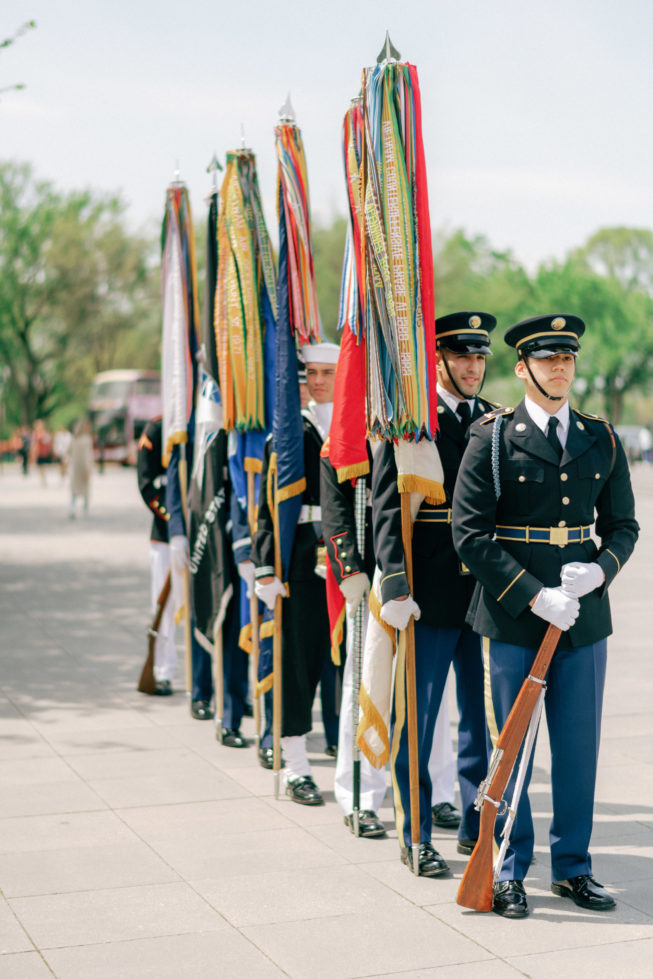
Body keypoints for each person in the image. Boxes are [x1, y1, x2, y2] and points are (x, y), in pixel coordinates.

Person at [452, 314, 639, 918]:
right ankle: (509, 866)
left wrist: (601, 569)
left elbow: (624, 526)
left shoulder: (600, 437)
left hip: (583, 620)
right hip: (514, 618)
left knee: (578, 748)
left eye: (568, 359)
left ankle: (573, 868)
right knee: (513, 751)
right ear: (522, 367)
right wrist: (533, 594)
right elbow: (470, 535)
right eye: (548, 359)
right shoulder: (493, 438)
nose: (560, 369)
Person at [372, 311, 497, 876]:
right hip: (429, 593)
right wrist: (396, 584)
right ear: (439, 359)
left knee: (480, 719)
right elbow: (384, 508)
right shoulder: (411, 424)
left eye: (480, 357)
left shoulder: (497, 421)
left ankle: (476, 829)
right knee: (418, 720)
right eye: (462, 356)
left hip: (487, 595)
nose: (473, 367)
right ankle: (416, 833)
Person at [253, 342, 340, 805]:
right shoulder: (288, 433)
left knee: (343, 667)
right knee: (298, 667)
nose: (320, 380)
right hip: (302, 564)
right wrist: (267, 568)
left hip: (348, 565)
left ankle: (350, 761)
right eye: (312, 373)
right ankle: (295, 765)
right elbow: (268, 509)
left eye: (329, 371)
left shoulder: (357, 428)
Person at [136, 417, 176, 695]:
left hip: (202, 532)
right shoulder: (157, 428)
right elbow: (147, 484)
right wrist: (175, 521)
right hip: (164, 534)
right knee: (163, 606)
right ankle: (161, 669)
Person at [68, 419, 94, 517]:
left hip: (75, 467)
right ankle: (85, 509)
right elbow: (87, 455)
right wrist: (87, 468)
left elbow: (68, 451)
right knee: (85, 489)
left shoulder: (74, 439)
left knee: (74, 489)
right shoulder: (87, 439)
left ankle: (73, 508)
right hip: (84, 467)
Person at [31, 419, 53, 485]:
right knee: (40, 467)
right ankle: (42, 479)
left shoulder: (44, 433)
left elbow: (47, 441)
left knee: (42, 467)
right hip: (38, 452)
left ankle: (44, 480)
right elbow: (34, 444)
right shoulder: (35, 433)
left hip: (43, 452)